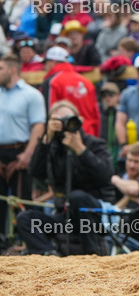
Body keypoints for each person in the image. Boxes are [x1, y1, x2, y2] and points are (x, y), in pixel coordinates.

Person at [16, 101, 117, 255]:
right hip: (65, 217)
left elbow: (106, 176)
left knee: (77, 197)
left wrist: (80, 150)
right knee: (25, 218)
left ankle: (92, 255)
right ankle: (48, 254)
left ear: (79, 121)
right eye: (57, 121)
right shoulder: (53, 147)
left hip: (93, 215)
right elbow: (36, 172)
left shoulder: (95, 144)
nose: (64, 124)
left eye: (68, 119)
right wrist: (46, 140)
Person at [0, 54, 45, 239]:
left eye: (0, 68)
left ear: (12, 69)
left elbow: (39, 126)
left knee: (22, 200)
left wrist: (28, 154)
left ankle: (26, 241)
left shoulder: (31, 95)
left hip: (20, 151)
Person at [41, 45, 100, 136]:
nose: (44, 67)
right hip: (88, 135)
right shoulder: (87, 82)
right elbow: (96, 115)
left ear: (53, 62)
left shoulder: (52, 82)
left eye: (45, 62)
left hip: (65, 138)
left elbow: (49, 113)